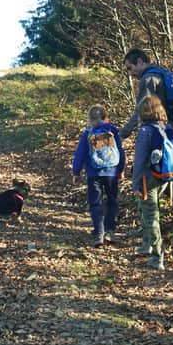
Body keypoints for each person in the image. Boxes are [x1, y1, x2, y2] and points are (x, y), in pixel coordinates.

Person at [120, 48, 173, 224]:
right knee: (165, 169)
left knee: (153, 173)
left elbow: (141, 110)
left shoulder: (148, 79)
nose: (131, 74)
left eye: (130, 68)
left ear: (140, 62)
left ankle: (153, 222)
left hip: (157, 133)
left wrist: (122, 133)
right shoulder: (162, 73)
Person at [132, 95, 173, 270]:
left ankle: (157, 256)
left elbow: (139, 160)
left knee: (151, 216)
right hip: (165, 177)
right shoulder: (167, 128)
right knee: (149, 210)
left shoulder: (145, 131)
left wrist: (135, 184)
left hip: (148, 179)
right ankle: (147, 245)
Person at [72, 105, 125, 247]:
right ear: (105, 116)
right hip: (111, 173)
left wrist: (76, 172)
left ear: (90, 119)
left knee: (95, 202)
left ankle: (99, 233)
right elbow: (120, 151)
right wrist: (121, 169)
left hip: (93, 173)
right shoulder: (112, 131)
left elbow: (80, 154)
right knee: (112, 200)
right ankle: (109, 230)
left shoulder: (88, 133)